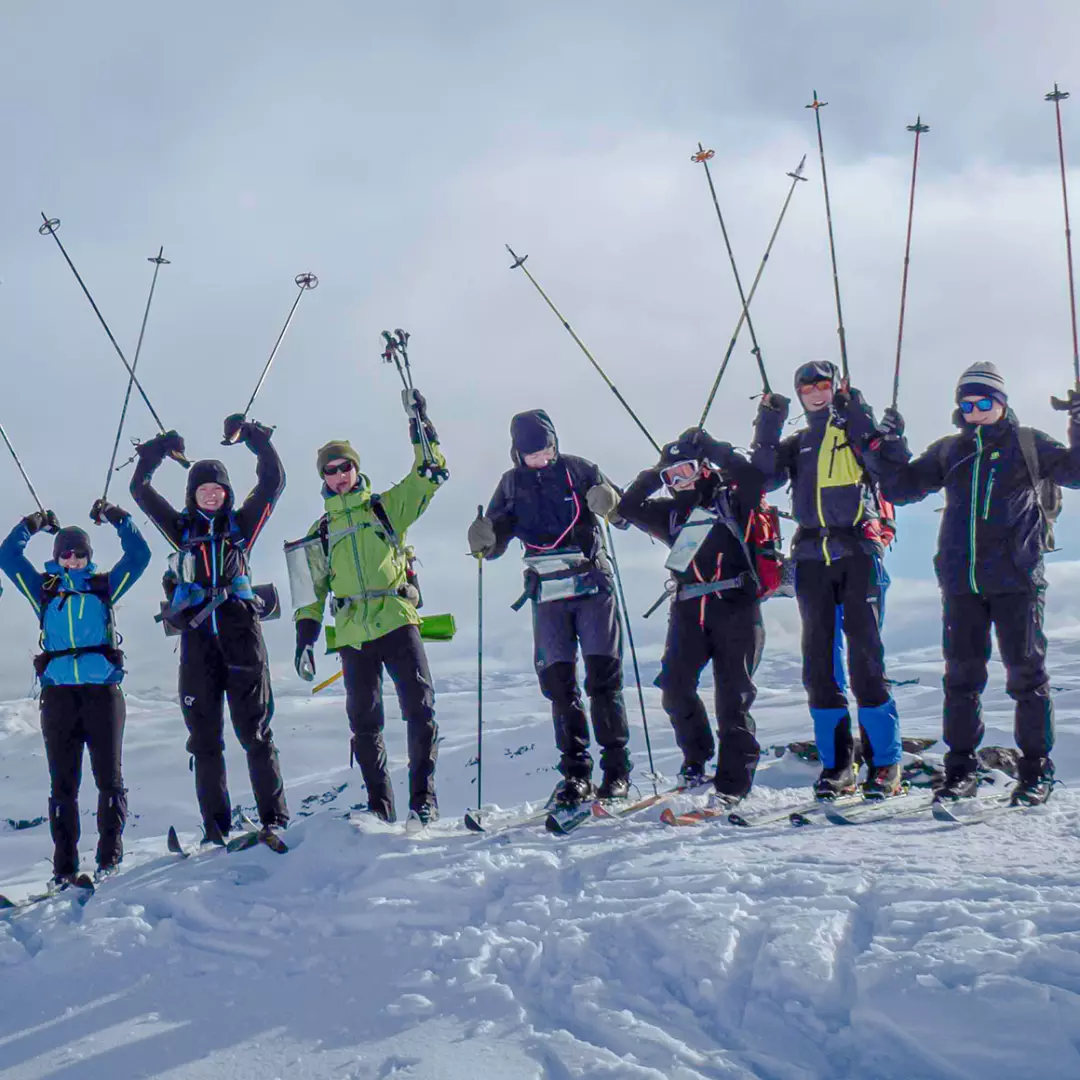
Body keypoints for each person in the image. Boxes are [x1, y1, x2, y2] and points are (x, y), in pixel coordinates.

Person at [866, 361, 1080, 805]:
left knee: (1027, 677)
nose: (976, 410)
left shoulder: (1028, 443)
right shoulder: (949, 451)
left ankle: (1035, 773)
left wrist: (1078, 423)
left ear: (1002, 404)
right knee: (961, 680)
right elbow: (901, 489)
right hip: (961, 583)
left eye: (985, 402)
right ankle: (959, 773)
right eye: (967, 403)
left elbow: (1075, 472)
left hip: (1017, 580)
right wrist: (890, 445)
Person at [130, 416, 288, 844]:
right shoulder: (181, 530)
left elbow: (273, 481)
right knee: (204, 739)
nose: (212, 495)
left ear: (227, 493)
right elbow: (140, 492)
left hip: (242, 638)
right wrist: (156, 452)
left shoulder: (242, 527)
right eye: (204, 489)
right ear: (193, 494)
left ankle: (275, 818)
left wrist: (254, 436)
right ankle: (215, 829)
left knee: (255, 732)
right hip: (198, 641)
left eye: (218, 489)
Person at [293, 390, 447, 827]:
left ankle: (424, 803)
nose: (340, 476)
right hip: (352, 631)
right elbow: (311, 593)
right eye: (331, 470)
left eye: (346, 467)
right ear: (322, 477)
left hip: (397, 620)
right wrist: (304, 639)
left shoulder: (385, 507)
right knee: (364, 723)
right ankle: (380, 809)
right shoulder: (320, 531)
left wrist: (422, 425)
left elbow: (430, 475)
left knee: (420, 709)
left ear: (357, 469)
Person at [752, 360, 902, 798]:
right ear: (798, 394)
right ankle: (838, 767)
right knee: (819, 666)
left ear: (834, 386)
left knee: (866, 662)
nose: (815, 392)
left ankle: (885, 765)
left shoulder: (856, 432)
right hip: (811, 557)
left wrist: (861, 415)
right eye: (806, 387)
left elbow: (889, 466)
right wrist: (768, 422)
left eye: (822, 384)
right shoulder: (799, 442)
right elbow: (762, 477)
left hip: (858, 552)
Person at [468, 409, 632, 808]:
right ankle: (576, 775)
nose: (541, 458)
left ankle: (617, 772)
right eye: (533, 454)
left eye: (546, 450)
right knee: (559, 685)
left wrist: (611, 504)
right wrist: (484, 539)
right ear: (517, 453)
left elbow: (624, 517)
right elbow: (494, 542)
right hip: (548, 594)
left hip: (592, 584)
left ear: (555, 444)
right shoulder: (510, 486)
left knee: (602, 679)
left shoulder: (579, 470)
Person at [0, 501, 150, 884]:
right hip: (59, 698)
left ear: (88, 557)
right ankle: (64, 868)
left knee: (108, 779)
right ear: (57, 557)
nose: (72, 559)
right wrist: (32, 524)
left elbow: (139, 555)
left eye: (79, 553)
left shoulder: (103, 588)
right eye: (65, 553)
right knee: (63, 784)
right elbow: (8, 557)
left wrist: (118, 518)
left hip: (103, 694)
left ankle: (109, 858)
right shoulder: (44, 592)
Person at [617, 427, 766, 801]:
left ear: (701, 468)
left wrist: (715, 448)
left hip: (736, 606)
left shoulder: (731, 499)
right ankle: (696, 761)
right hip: (688, 609)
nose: (677, 481)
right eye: (671, 477)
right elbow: (628, 507)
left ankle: (733, 782)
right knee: (675, 687)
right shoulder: (669, 513)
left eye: (684, 470)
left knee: (733, 696)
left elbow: (751, 475)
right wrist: (657, 469)